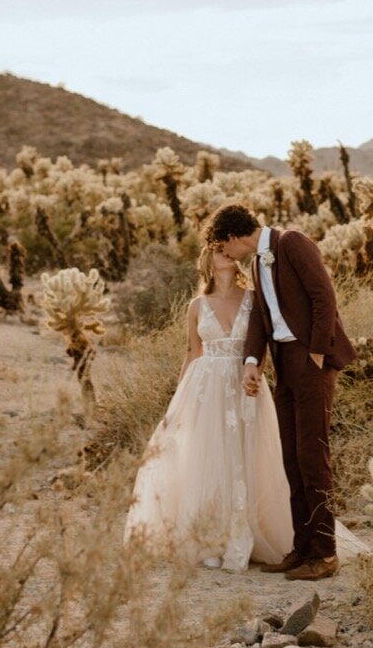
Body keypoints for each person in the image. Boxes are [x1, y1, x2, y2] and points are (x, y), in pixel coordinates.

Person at [123, 244, 296, 571]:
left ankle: (246, 534)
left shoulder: (253, 299)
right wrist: (175, 404)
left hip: (243, 385)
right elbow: (192, 352)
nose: (226, 253)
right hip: (205, 389)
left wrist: (256, 373)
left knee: (248, 457)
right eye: (218, 250)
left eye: (228, 249)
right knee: (209, 458)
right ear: (207, 260)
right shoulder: (196, 305)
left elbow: (260, 346)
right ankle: (211, 538)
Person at [209, 203, 358, 582]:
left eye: (223, 246)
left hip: (310, 361)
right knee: (290, 457)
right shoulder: (259, 261)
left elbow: (324, 297)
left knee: (312, 456)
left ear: (232, 237)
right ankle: (303, 548)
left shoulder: (292, 242)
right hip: (284, 363)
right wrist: (252, 361)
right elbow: (262, 316)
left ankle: (325, 554)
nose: (225, 254)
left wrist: (317, 353)